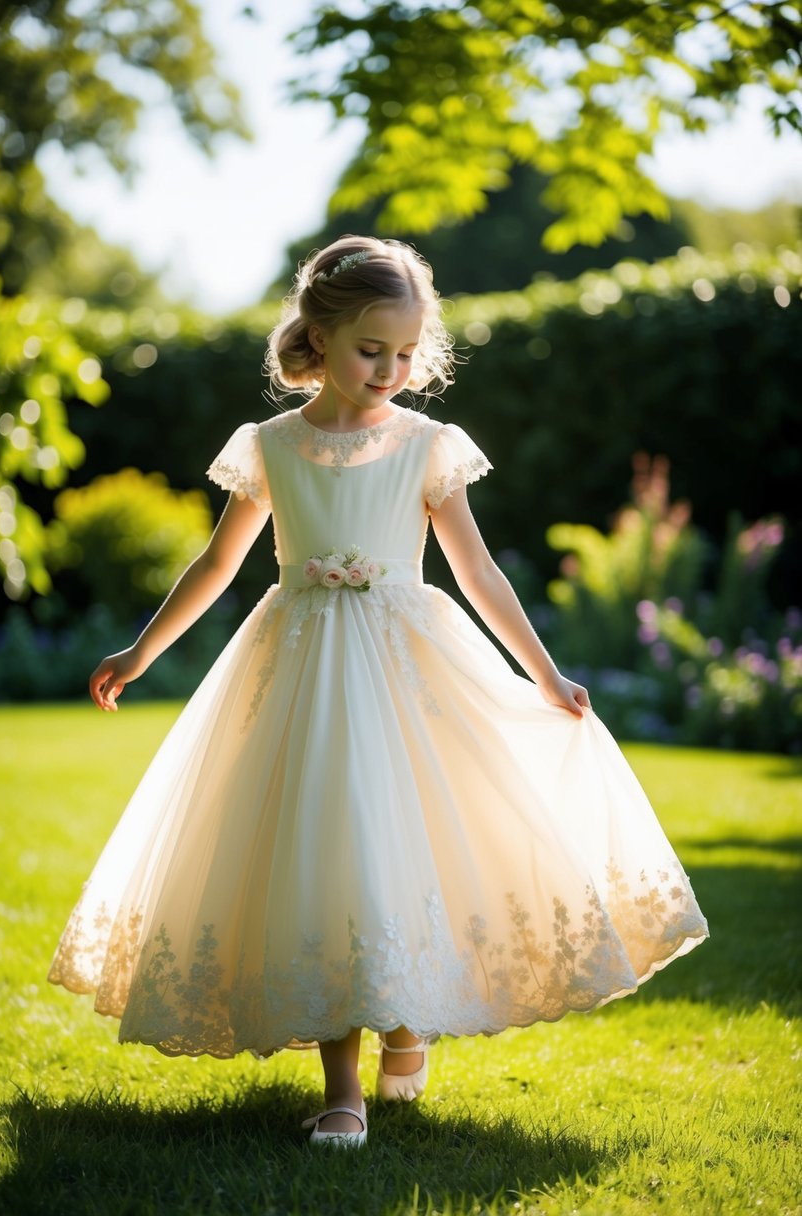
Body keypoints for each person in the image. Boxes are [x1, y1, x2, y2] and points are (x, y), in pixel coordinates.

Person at [48, 235, 708, 1148]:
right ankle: (342, 1088)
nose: (391, 370)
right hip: (300, 673)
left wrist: (541, 671)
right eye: (371, 351)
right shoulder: (271, 447)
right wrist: (142, 650)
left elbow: (476, 571)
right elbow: (218, 562)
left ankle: (407, 1026)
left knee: (405, 848)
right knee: (325, 855)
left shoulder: (428, 446)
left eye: (406, 354)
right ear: (318, 337)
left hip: (407, 671)